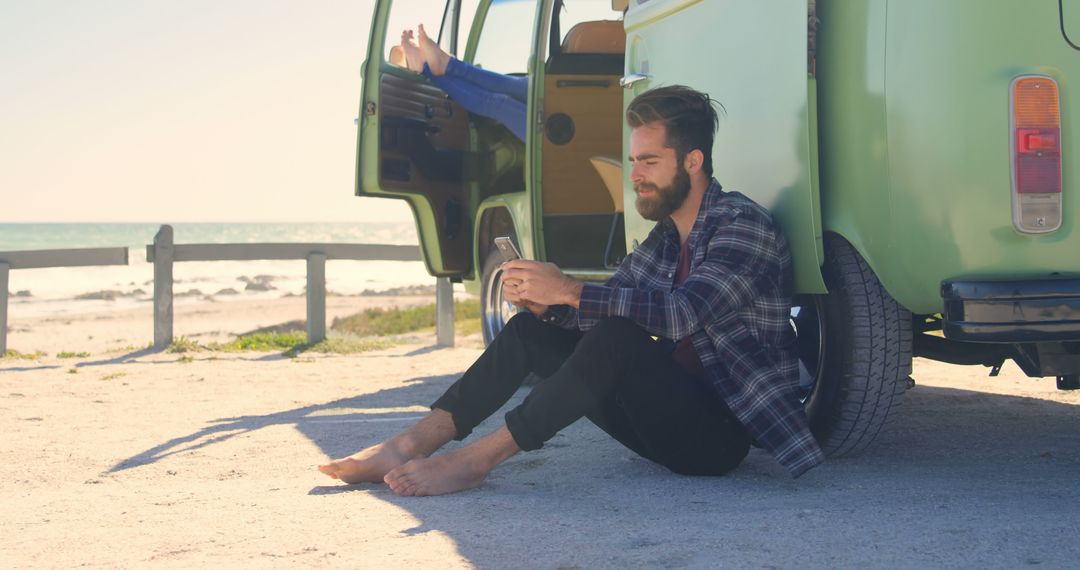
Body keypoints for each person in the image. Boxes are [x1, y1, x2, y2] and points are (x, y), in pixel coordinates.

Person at [318, 85, 825, 496]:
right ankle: (408, 445)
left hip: (718, 439)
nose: (636, 176)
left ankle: (476, 462)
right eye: (633, 161)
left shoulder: (742, 225)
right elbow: (610, 302)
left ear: (692, 162)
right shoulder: (669, 236)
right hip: (659, 421)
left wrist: (569, 288)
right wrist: (549, 303)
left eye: (649, 161)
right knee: (532, 329)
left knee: (617, 338)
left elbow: (679, 314)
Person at [398, 25, 528, 141]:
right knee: (519, 88)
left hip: (546, 131)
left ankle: (432, 67)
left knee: (500, 104)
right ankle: (443, 64)